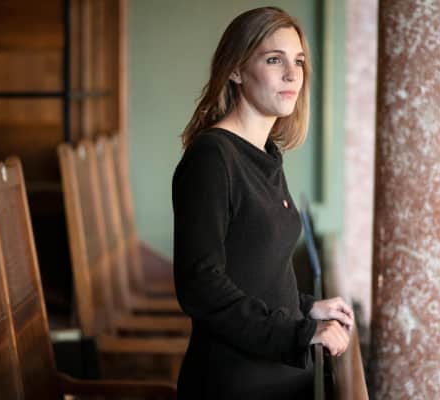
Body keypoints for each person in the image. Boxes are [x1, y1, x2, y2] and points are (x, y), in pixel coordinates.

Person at [172, 7, 354, 399]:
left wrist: (306, 308)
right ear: (236, 70)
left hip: (277, 375)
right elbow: (201, 285)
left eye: (298, 61)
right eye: (274, 60)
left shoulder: (266, 154)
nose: (292, 74)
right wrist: (299, 332)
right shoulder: (212, 157)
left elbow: (254, 269)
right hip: (235, 382)